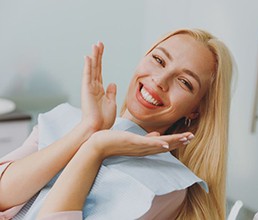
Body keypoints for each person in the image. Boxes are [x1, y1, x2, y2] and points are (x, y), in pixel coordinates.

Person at [0, 28, 233, 220]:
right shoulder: (65, 120)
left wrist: (95, 149)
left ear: (195, 110)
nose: (160, 80)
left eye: (184, 82)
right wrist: (88, 129)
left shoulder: (166, 188)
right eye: (159, 60)